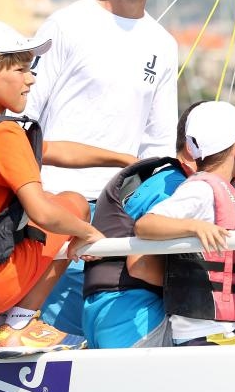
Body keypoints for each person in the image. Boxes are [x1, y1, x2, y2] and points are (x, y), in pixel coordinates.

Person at [0, 20, 136, 358]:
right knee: (72, 204)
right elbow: (42, 213)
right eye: (21, 69)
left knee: (28, 214)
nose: (31, 79)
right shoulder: (3, 133)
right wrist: (90, 234)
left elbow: (55, 150)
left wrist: (121, 158)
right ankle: (19, 326)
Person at [25, 0, 179, 335]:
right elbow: (23, 123)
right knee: (38, 336)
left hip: (117, 217)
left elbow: (158, 150)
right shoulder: (66, 25)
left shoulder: (163, 46)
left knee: (109, 338)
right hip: (54, 209)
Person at [134, 101, 235, 346]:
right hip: (206, 332)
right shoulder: (201, 189)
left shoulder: (232, 190)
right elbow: (146, 225)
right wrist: (195, 227)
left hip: (231, 327)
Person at [82, 102, 202, 348]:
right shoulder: (176, 188)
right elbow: (140, 266)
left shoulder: (154, 177)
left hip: (102, 312)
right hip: (136, 318)